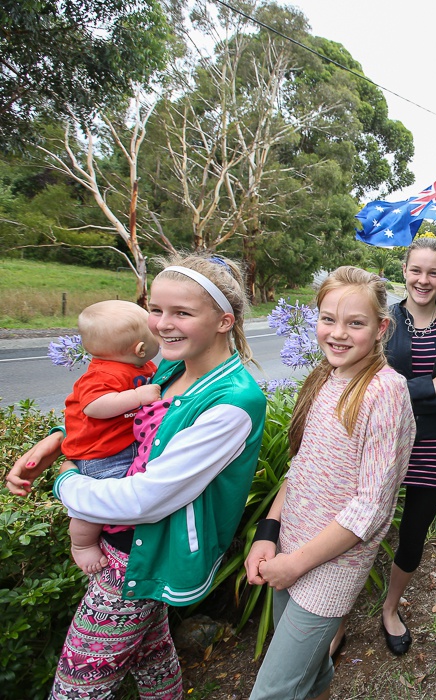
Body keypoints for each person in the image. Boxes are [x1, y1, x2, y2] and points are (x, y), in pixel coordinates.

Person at [5, 253, 267, 699]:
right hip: (127, 543)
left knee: (78, 684)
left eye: (182, 313)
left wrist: (66, 478)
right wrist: (54, 441)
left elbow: (145, 499)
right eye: (157, 309)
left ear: (224, 321)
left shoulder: (232, 403)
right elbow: (113, 419)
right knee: (151, 653)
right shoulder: (170, 367)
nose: (162, 324)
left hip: (139, 554)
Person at [245, 267, 415, 700]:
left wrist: (297, 564)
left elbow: (371, 507)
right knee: (312, 671)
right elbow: (300, 467)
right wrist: (269, 532)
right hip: (290, 550)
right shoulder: (324, 376)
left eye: (355, 323)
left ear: (382, 328)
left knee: (272, 691)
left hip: (328, 571)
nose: (338, 334)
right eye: (327, 319)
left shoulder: (386, 391)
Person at [370, 236, 436, 656]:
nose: (423, 280)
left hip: (433, 444)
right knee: (363, 530)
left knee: (413, 534)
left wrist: (406, 391)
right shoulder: (384, 322)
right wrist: (429, 385)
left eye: (433, 272)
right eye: (416, 270)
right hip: (385, 442)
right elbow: (372, 387)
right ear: (404, 271)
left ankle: (390, 609)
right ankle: (335, 618)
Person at [58, 300, 161, 573]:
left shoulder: (142, 365)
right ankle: (82, 544)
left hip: (120, 446)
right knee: (96, 503)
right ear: (139, 348)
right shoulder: (102, 374)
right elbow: (94, 406)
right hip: (99, 454)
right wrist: (136, 397)